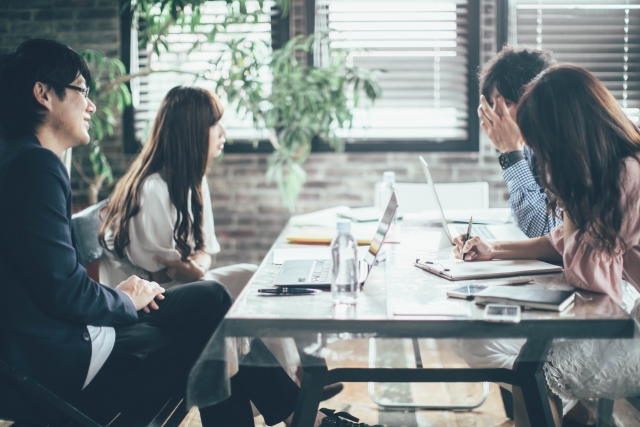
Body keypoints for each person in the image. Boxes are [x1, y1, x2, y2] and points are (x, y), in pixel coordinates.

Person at [0, 39, 369, 427]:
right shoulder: (34, 167)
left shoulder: (20, 159)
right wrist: (124, 298)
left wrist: (126, 295)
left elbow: (52, 282)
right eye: (82, 91)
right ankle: (304, 417)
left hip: (58, 347)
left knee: (210, 305)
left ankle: (301, 416)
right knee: (211, 335)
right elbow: (63, 290)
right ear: (43, 94)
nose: (90, 105)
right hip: (56, 368)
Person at [455, 65, 640, 426]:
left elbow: (592, 278)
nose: (539, 153)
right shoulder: (614, 164)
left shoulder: (627, 175)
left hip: (631, 324)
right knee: (492, 347)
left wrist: (565, 193)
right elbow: (564, 241)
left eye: (541, 142)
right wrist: (495, 250)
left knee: (521, 362)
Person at [97, 86, 255, 297]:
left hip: (180, 284)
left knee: (254, 277)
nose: (223, 132)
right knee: (218, 292)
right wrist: (195, 268)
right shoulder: (152, 190)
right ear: (191, 132)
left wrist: (198, 268)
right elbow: (168, 273)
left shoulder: (195, 180)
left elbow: (204, 253)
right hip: (151, 297)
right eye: (214, 124)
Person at [478, 46, 562, 237]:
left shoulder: (563, 147)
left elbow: (546, 233)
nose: (497, 115)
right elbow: (523, 219)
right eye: (491, 105)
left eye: (506, 103)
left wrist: (511, 154)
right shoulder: (531, 146)